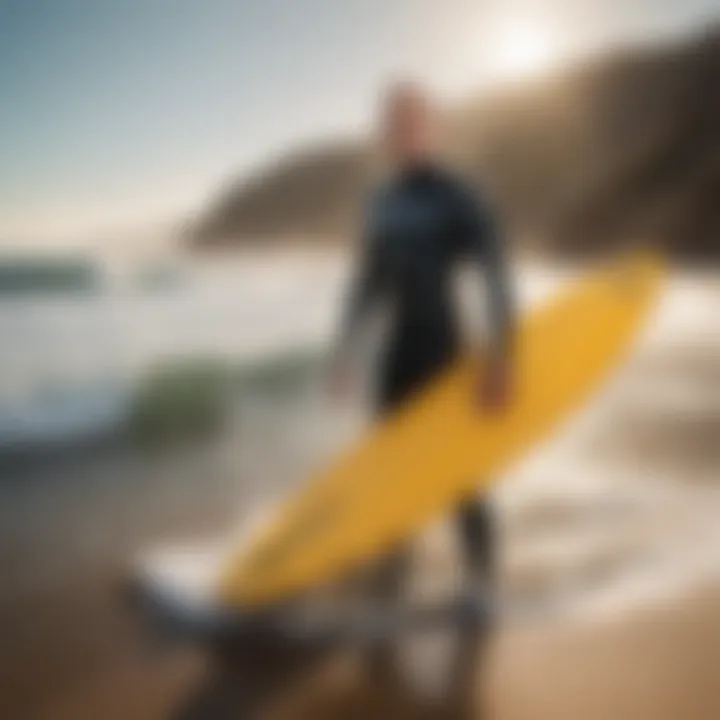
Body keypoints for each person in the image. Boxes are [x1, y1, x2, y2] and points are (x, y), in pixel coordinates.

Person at [329, 81, 515, 694]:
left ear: (431, 128)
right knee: (390, 479)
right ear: (385, 135)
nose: (404, 132)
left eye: (414, 122)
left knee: (460, 479)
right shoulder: (381, 203)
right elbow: (367, 285)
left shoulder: (457, 195)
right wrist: (344, 351)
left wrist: (501, 360)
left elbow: (494, 272)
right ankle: (389, 594)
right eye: (394, 124)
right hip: (396, 361)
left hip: (444, 354)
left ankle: (484, 588)